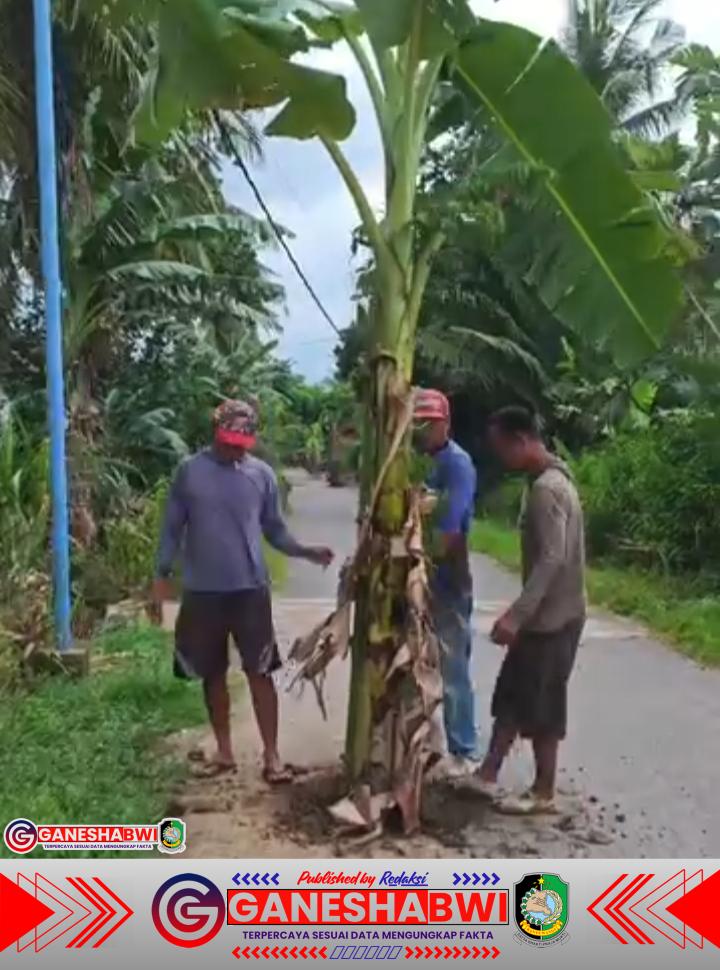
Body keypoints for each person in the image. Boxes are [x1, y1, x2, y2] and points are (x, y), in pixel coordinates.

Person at [152, 400, 334, 784]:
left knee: (260, 671)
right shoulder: (190, 472)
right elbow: (171, 527)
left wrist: (305, 551)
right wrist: (161, 574)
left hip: (250, 590)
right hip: (203, 591)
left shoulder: (261, 475)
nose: (235, 450)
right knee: (212, 673)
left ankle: (272, 755)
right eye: (228, 442)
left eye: (241, 444)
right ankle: (224, 751)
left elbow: (275, 529)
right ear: (215, 433)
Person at [477, 405, 586, 814]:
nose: (500, 457)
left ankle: (543, 792)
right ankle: (487, 774)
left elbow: (552, 559)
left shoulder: (546, 490)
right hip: (547, 615)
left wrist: (516, 616)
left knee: (543, 704)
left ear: (520, 441)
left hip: (554, 618)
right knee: (513, 693)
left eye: (501, 448)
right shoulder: (553, 479)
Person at [414, 388, 478, 777]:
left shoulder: (457, 464)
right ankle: (421, 743)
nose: (425, 430)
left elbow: (452, 529)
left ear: (446, 424)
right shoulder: (413, 462)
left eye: (431, 423)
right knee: (416, 663)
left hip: (446, 573)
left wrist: (426, 562)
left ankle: (464, 750)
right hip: (412, 574)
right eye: (419, 423)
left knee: (452, 665)